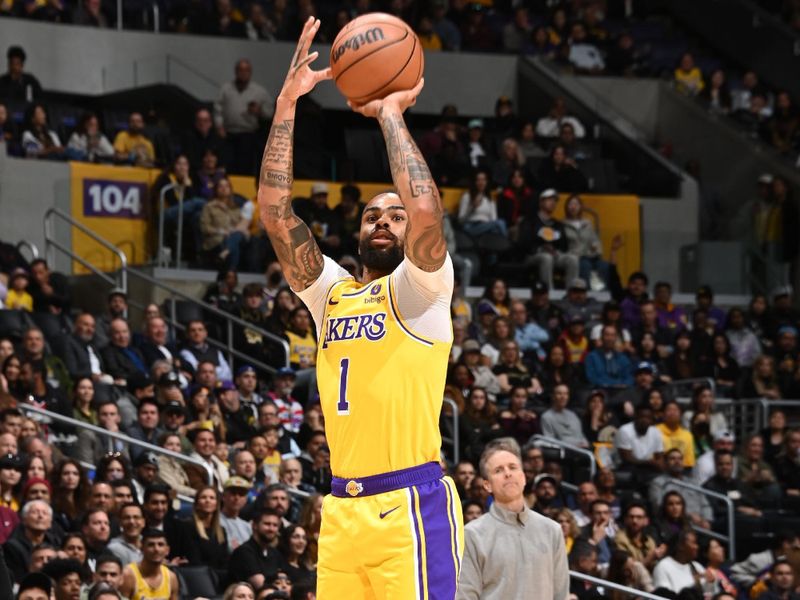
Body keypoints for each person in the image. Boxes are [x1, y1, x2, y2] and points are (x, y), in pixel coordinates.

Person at [257, 18, 462, 598]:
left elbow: (426, 211)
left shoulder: (422, 290)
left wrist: (390, 113)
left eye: (393, 215)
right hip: (342, 509)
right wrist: (286, 105)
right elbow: (275, 214)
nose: (383, 220)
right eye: (373, 213)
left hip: (409, 503)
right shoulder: (333, 294)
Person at [456, 438, 569, 599]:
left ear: (523, 477)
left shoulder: (552, 530)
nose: (508, 473)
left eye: (513, 467)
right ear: (487, 485)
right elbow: (465, 595)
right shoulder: (472, 534)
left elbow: (560, 594)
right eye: (498, 470)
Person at [214, 58, 273, 175]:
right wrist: (219, 126)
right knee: (228, 165)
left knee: (245, 166)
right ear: (236, 71)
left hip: (248, 135)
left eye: (246, 70)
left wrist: (259, 111)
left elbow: (270, 113)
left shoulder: (259, 91)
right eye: (240, 70)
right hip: (228, 134)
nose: (243, 73)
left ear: (250, 72)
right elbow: (218, 110)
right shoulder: (226, 89)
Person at [520, 189, 579, 289]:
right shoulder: (530, 221)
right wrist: (541, 248)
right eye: (549, 200)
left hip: (554, 255)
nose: (553, 203)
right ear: (541, 202)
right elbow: (523, 243)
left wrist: (555, 250)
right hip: (532, 255)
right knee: (546, 257)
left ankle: (571, 292)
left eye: (555, 200)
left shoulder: (557, 224)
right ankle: (549, 292)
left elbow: (564, 246)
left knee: (572, 259)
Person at [119, 528, 179, 600]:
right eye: (151, 545)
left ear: (167, 550)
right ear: (142, 548)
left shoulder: (171, 578)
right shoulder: (128, 575)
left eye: (160, 544)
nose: (156, 549)